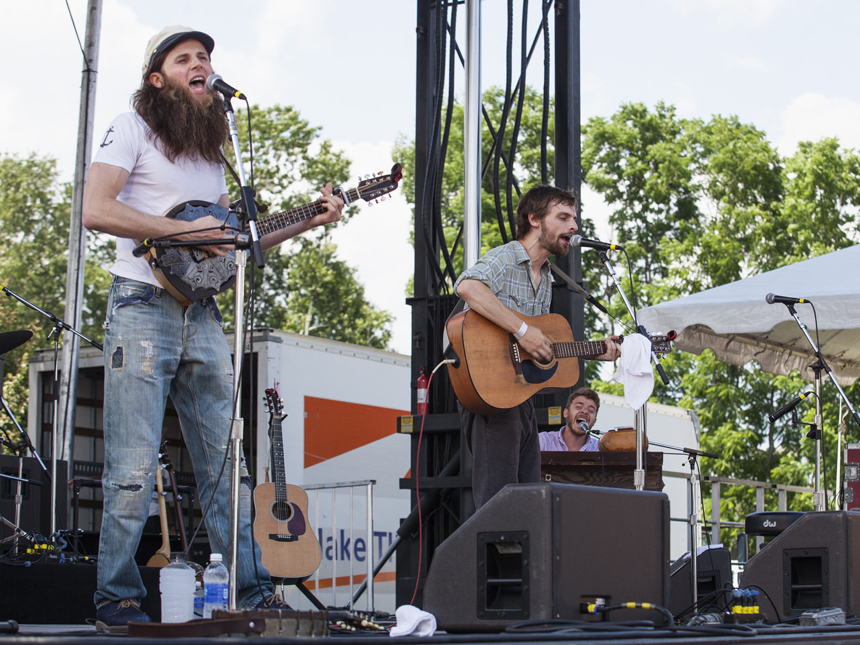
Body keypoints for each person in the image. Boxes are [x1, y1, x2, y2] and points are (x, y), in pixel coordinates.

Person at [82, 26, 345, 630]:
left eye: (206, 57)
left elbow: (232, 242)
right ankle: (116, 598)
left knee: (229, 465)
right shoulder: (132, 127)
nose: (201, 64)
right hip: (141, 305)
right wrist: (180, 232)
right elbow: (96, 209)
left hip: (203, 315)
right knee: (130, 464)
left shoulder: (214, 150)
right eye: (185, 59)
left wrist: (312, 219)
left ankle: (251, 593)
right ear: (158, 78)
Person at [454, 185, 620, 509]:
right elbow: (468, 286)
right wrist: (522, 329)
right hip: (490, 390)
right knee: (498, 500)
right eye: (563, 217)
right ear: (534, 219)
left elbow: (537, 347)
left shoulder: (545, 276)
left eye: (574, 218)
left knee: (526, 492)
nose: (574, 227)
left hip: (520, 395)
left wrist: (593, 350)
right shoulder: (507, 257)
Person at [538, 387, 601, 452]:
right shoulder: (543, 441)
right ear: (566, 413)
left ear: (594, 422)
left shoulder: (599, 448)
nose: (584, 411)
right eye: (578, 407)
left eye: (591, 410)